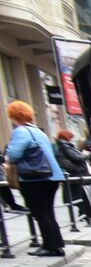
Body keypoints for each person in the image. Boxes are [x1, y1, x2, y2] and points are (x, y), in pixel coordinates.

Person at [5, 101, 66, 257]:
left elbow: (13, 154)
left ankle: (49, 246)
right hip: (51, 176)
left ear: (13, 116)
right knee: (48, 212)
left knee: (40, 213)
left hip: (35, 178)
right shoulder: (38, 131)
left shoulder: (20, 131)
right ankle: (57, 245)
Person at [53, 128, 91, 220]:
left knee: (79, 195)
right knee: (79, 195)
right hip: (76, 174)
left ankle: (84, 214)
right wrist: (86, 155)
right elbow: (77, 157)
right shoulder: (65, 146)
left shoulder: (65, 145)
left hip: (76, 174)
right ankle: (85, 215)